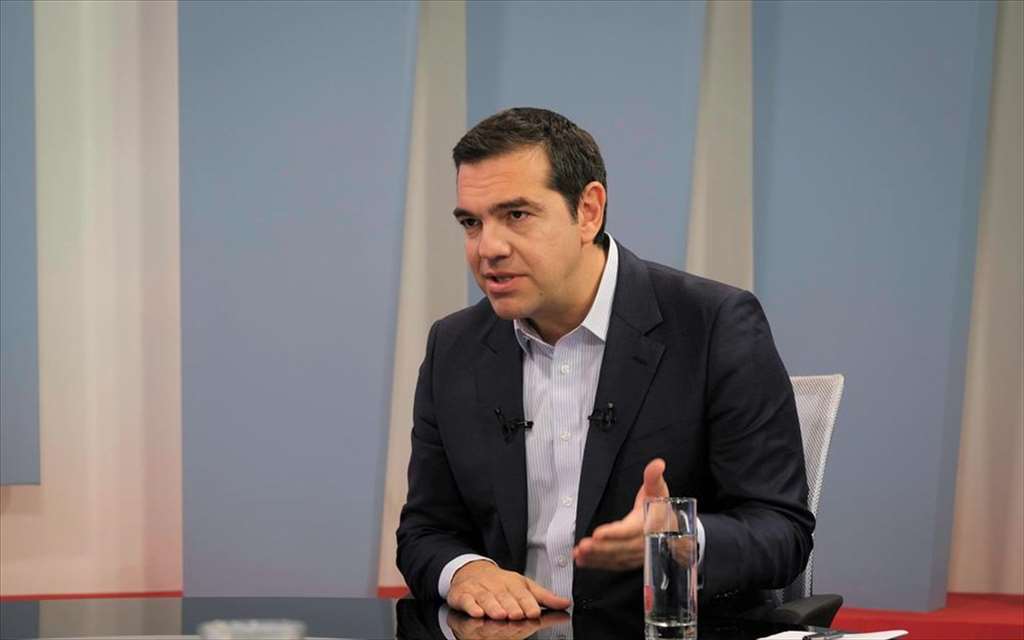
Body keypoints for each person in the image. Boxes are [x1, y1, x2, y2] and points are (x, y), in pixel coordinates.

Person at [396, 107, 814, 621]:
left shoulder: (713, 325)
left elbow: (782, 531)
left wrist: (679, 539)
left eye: (517, 215)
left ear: (588, 211)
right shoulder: (454, 346)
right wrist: (465, 571)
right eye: (471, 223)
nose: (489, 248)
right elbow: (425, 529)